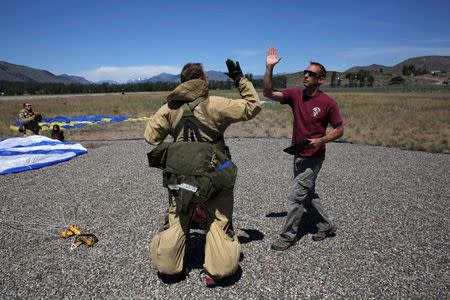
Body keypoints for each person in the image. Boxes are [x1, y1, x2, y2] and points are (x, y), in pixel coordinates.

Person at [144, 60, 261, 286]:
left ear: (182, 83)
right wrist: (240, 79)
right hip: (215, 176)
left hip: (180, 180)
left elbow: (151, 137)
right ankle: (216, 271)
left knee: (177, 219)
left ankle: (169, 267)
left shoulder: (170, 108)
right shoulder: (216, 104)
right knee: (219, 221)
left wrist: (168, 114)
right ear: (203, 80)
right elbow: (252, 106)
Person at [263, 48, 344, 251]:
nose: (306, 76)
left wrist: (321, 140)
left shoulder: (328, 103)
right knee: (308, 194)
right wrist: (269, 68)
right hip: (298, 153)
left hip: (314, 156)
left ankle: (287, 236)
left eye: (311, 74)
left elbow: (340, 130)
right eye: (305, 72)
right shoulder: (295, 95)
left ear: (321, 80)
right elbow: (267, 93)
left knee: (296, 197)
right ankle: (326, 226)